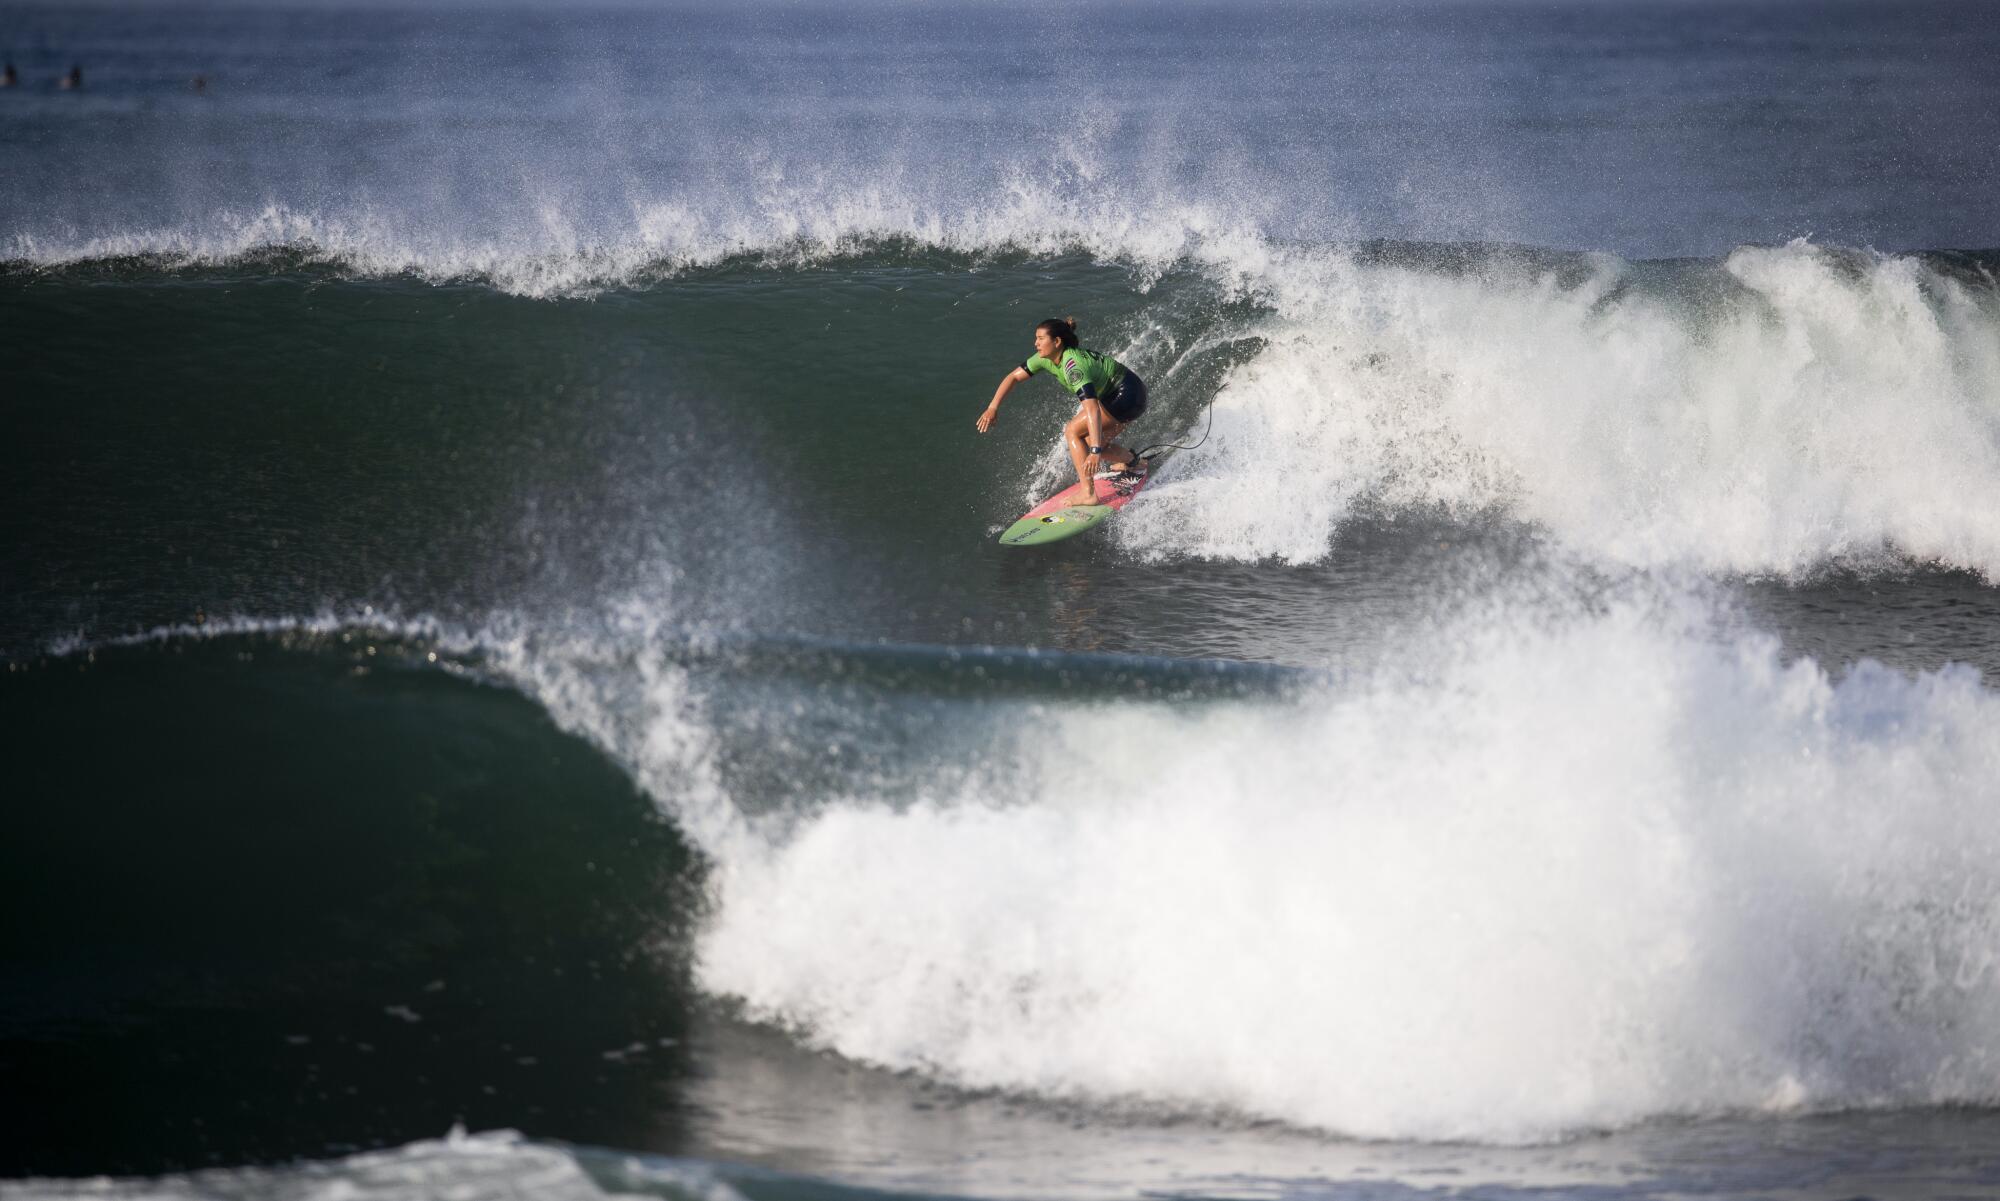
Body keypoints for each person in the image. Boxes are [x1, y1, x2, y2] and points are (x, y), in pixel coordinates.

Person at [976, 317, 1149, 506]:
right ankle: (1133, 462)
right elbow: (1013, 378)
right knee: (1092, 440)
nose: (1036, 343)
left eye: (1041, 339)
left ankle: (1088, 494)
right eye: (1036, 338)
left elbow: (1092, 409)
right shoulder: (1045, 359)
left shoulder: (1073, 367)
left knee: (1073, 431)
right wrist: (993, 407)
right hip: (1124, 392)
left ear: (1057, 342)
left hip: (1127, 396)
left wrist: (1095, 452)